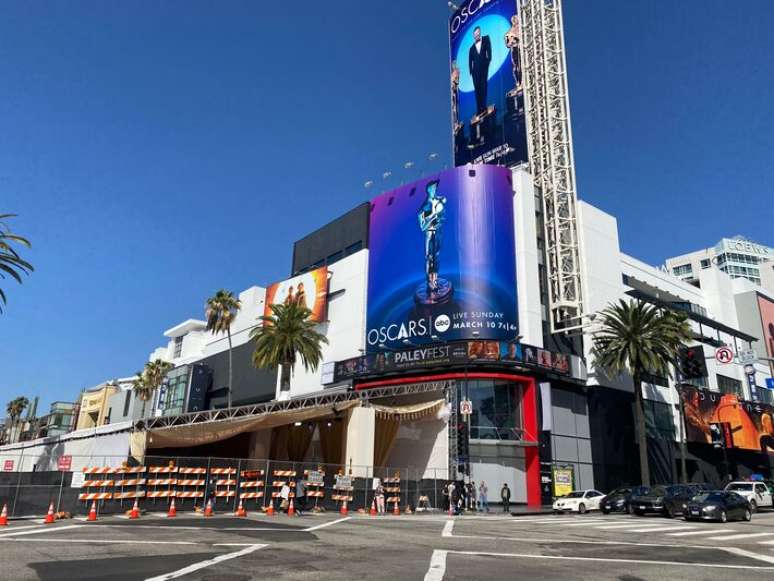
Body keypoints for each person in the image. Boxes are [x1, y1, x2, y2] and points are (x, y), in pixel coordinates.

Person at [468, 26, 492, 115]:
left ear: (480, 32)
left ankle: (484, 106)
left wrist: (488, 60)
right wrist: (471, 71)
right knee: (477, 90)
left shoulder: (486, 39)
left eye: (478, 33)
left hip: (484, 68)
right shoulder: (471, 48)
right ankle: (479, 109)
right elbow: (470, 60)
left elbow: (489, 50)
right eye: (475, 34)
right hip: (475, 72)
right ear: (473, 36)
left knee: (483, 87)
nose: (477, 35)